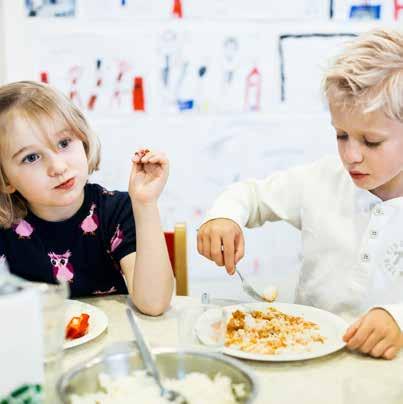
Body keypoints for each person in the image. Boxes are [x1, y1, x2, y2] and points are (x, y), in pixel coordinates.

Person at [197, 28, 403, 359]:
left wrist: (397, 318)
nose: (351, 155)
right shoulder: (320, 180)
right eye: (341, 135)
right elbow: (251, 196)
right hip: (307, 357)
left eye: (372, 141)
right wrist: (224, 216)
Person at [0, 81, 173, 316]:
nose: (58, 167)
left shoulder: (116, 210)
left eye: (63, 143)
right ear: (5, 179)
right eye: (31, 157)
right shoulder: (5, 227)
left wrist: (144, 204)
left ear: (82, 139)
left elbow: (154, 304)